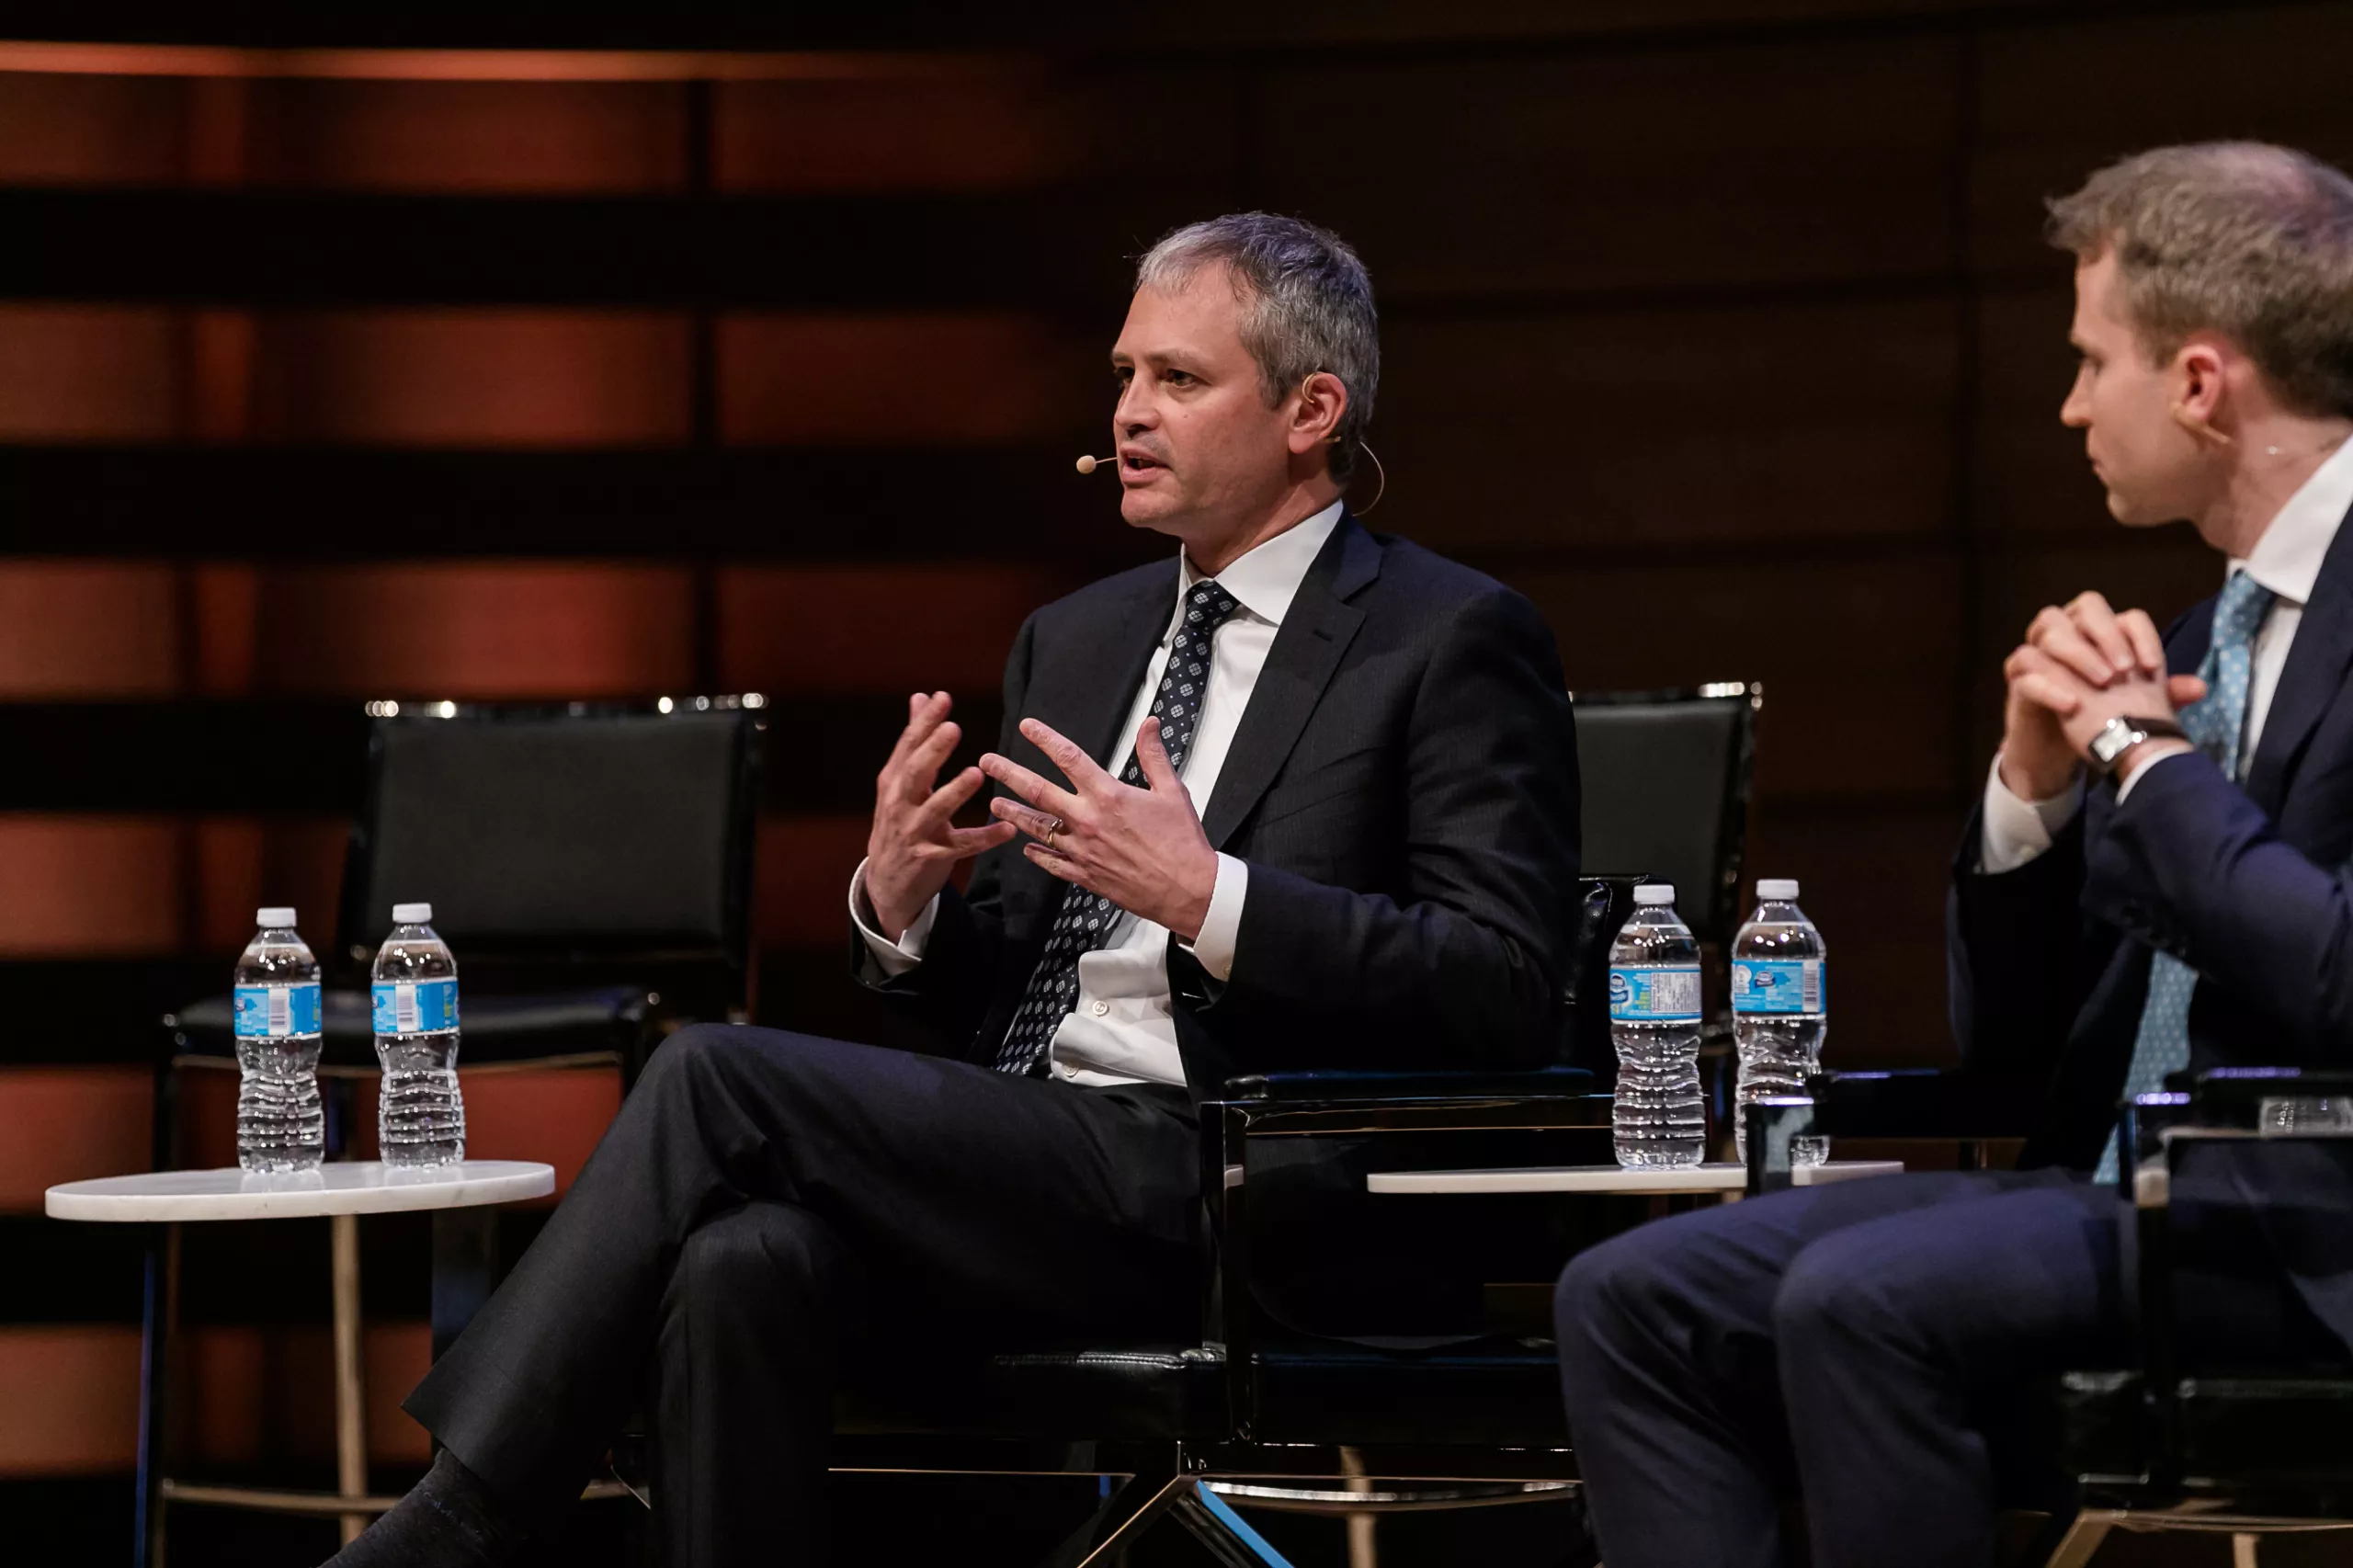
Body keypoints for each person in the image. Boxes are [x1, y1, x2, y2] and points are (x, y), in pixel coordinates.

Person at [327, 211, 1582, 1568]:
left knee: (709, 1078)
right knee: (739, 1260)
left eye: (1178, 379)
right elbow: (1013, 987)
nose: (1130, 413)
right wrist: (906, 908)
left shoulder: (1447, 637)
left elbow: (1504, 985)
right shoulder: (1081, 635)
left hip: (1247, 1180)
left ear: (1310, 409)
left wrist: (1209, 895)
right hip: (1041, 1166)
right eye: (1122, 375)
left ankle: (454, 1526)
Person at [1553, 142, 2353, 1568]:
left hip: (2304, 1220)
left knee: (1861, 1296)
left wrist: (2139, 760)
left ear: (2198, 382)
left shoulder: (2193, 689)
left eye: (2090, 358)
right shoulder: (2189, 651)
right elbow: (2023, 1043)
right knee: (1629, 1296)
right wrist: (2033, 791)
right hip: (2109, 1195)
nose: (2065, 403)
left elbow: (2336, 971)